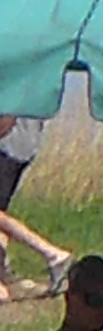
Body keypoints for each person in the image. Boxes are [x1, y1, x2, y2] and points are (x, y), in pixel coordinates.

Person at [0, 115, 71, 298]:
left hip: (7, 147)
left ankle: (53, 255)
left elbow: (8, 115)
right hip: (22, 146)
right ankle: (3, 279)